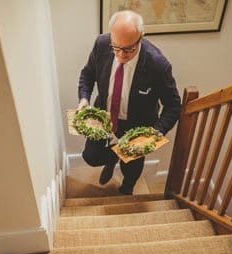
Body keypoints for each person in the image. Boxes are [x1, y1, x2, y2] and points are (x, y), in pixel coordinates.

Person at [77, 10, 182, 195]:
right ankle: (111, 161)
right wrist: (84, 98)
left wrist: (156, 132)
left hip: (137, 125)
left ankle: (127, 188)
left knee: (131, 166)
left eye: (128, 49)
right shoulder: (101, 44)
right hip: (105, 118)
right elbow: (87, 75)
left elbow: (173, 105)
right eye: (116, 47)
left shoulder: (158, 64)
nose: (120, 54)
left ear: (141, 37)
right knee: (91, 157)